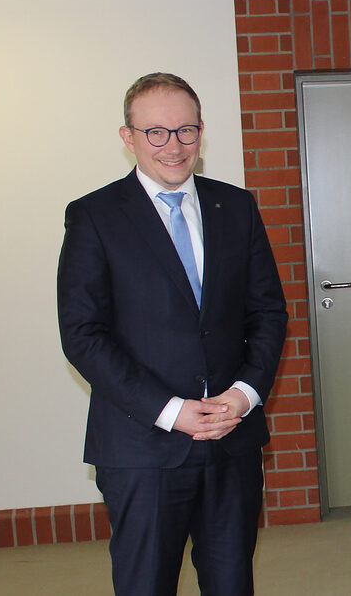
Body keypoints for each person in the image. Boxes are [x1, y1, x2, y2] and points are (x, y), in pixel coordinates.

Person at [57, 72, 288, 595]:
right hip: (143, 447)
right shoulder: (94, 216)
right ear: (128, 137)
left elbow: (269, 314)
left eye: (186, 130)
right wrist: (171, 410)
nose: (174, 145)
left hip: (232, 441)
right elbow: (83, 334)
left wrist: (244, 396)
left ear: (202, 132)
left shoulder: (237, 207)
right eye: (156, 132)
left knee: (232, 583)